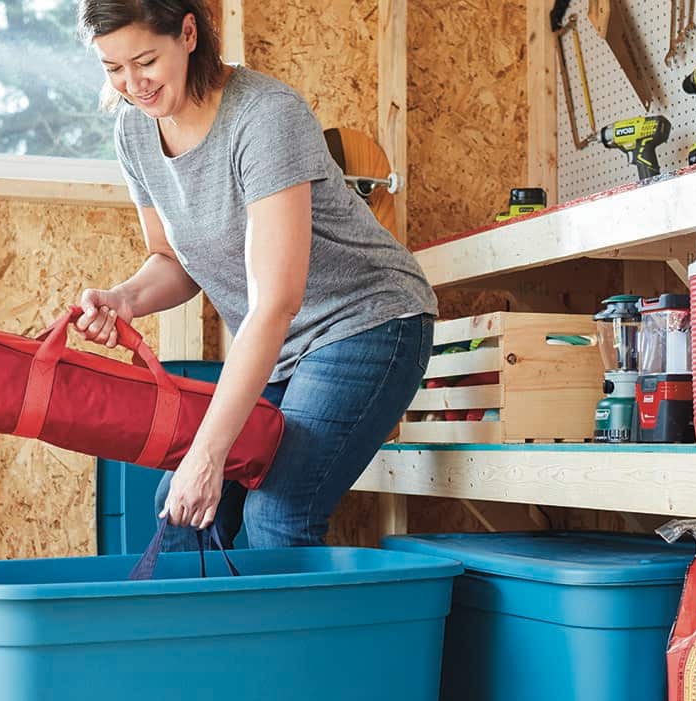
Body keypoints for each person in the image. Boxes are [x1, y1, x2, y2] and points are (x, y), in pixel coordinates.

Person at [74, 0, 437, 549]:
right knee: (181, 513)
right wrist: (125, 298)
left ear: (188, 33)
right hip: (279, 343)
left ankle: (285, 639)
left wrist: (209, 453)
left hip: (366, 323)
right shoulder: (134, 130)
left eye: (145, 61)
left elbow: (274, 303)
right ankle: (200, 639)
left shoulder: (265, 117)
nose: (133, 84)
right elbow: (173, 261)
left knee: (278, 514)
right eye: (113, 68)